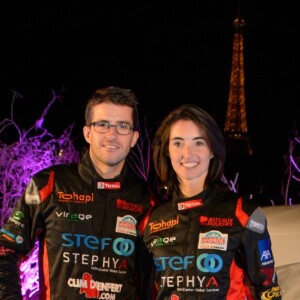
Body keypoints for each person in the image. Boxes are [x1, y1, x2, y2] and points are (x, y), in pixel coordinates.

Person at [0, 86, 157, 300]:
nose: (112, 134)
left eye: (122, 126)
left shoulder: (147, 198)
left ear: (134, 137)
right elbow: (5, 250)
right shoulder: (50, 184)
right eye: (103, 125)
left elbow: (156, 277)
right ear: (87, 133)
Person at [141, 104, 282, 299]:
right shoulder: (151, 219)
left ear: (213, 149)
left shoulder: (244, 213)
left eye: (199, 142)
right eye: (178, 143)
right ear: (167, 151)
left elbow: (268, 289)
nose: (188, 153)